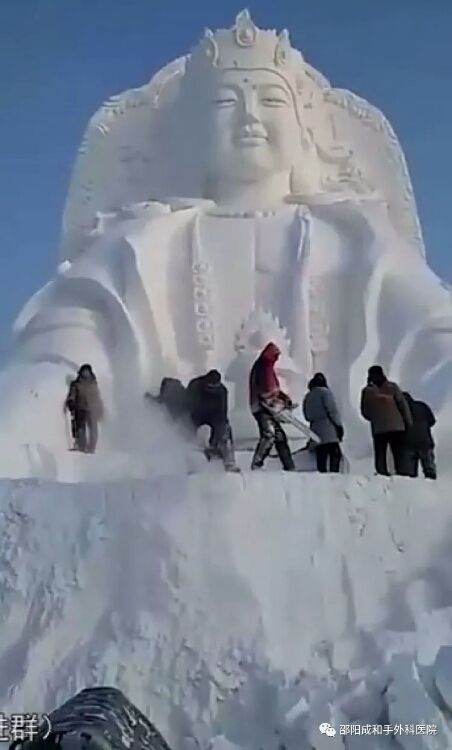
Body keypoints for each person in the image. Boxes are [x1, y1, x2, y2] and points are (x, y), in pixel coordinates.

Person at [249, 342, 295, 471]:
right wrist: (279, 402)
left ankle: (289, 466)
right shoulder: (264, 367)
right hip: (262, 407)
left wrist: (284, 398)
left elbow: (274, 389)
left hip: (267, 406)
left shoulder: (267, 367)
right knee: (269, 435)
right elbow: (267, 390)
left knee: (279, 436)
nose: (277, 359)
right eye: (276, 356)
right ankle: (257, 463)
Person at [360, 365, 412, 476]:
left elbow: (364, 411)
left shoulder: (367, 391)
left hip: (379, 428)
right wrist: (408, 422)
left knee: (380, 453)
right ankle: (402, 473)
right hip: (397, 426)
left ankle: (382, 473)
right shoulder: (392, 387)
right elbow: (403, 405)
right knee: (399, 453)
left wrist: (375, 418)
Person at [185, 370, 239, 472]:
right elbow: (187, 405)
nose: (212, 390)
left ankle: (228, 461)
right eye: (210, 387)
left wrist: (217, 436)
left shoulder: (222, 391)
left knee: (225, 429)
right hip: (196, 414)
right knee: (186, 430)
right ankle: (188, 461)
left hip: (214, 415)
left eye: (215, 388)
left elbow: (223, 412)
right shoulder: (195, 385)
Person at [302, 373, 344, 473]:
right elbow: (332, 410)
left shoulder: (308, 396)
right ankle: (334, 474)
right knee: (334, 452)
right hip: (328, 428)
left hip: (314, 429)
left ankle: (322, 474)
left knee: (321, 454)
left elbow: (306, 416)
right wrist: (339, 426)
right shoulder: (325, 393)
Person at [64, 364, 104, 453]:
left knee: (93, 429)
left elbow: (97, 396)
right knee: (80, 428)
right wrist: (71, 402)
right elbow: (72, 394)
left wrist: (100, 409)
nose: (86, 373)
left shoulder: (93, 383)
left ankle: (91, 447)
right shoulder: (76, 384)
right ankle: (82, 445)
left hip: (92, 409)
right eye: (84, 371)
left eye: (87, 372)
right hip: (80, 408)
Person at [402, 391, 437, 479]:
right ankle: (432, 485)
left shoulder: (400, 410)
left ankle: (414, 487)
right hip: (425, 441)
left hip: (408, 442)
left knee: (410, 474)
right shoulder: (422, 406)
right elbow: (432, 421)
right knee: (429, 468)